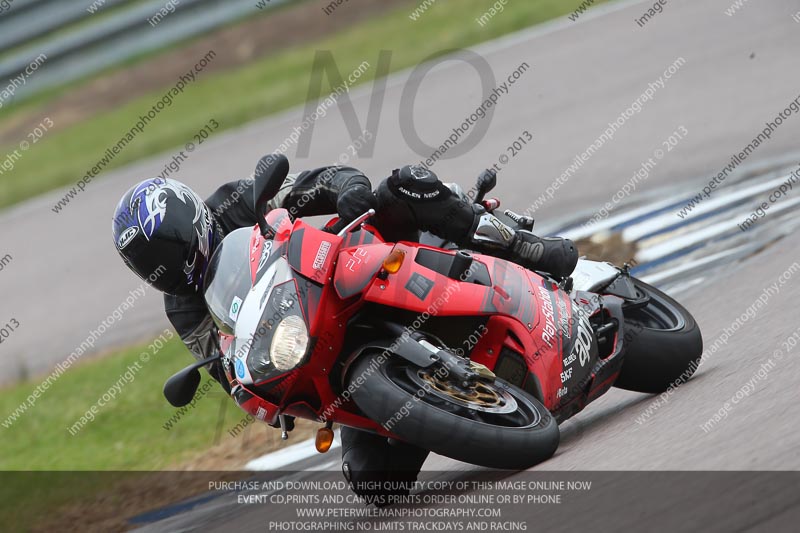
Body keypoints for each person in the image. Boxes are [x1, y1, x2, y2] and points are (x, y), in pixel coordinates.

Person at [111, 158, 578, 501]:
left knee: (399, 186)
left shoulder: (235, 201)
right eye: (153, 269)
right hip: (310, 339)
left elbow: (321, 181)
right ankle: (441, 411)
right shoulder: (183, 307)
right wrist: (259, 395)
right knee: (373, 481)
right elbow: (228, 370)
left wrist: (349, 190)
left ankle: (521, 245)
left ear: (191, 221)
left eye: (171, 252)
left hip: (344, 270)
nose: (170, 272)